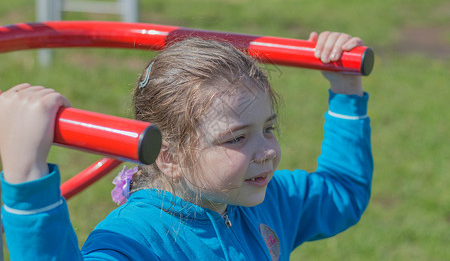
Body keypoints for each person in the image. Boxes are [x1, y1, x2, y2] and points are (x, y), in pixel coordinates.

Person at [0, 31, 373, 260]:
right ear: (169, 156)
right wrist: (27, 183)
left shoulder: (266, 200)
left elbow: (342, 193)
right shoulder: (136, 238)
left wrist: (346, 93)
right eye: (238, 137)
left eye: (268, 128)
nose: (267, 151)